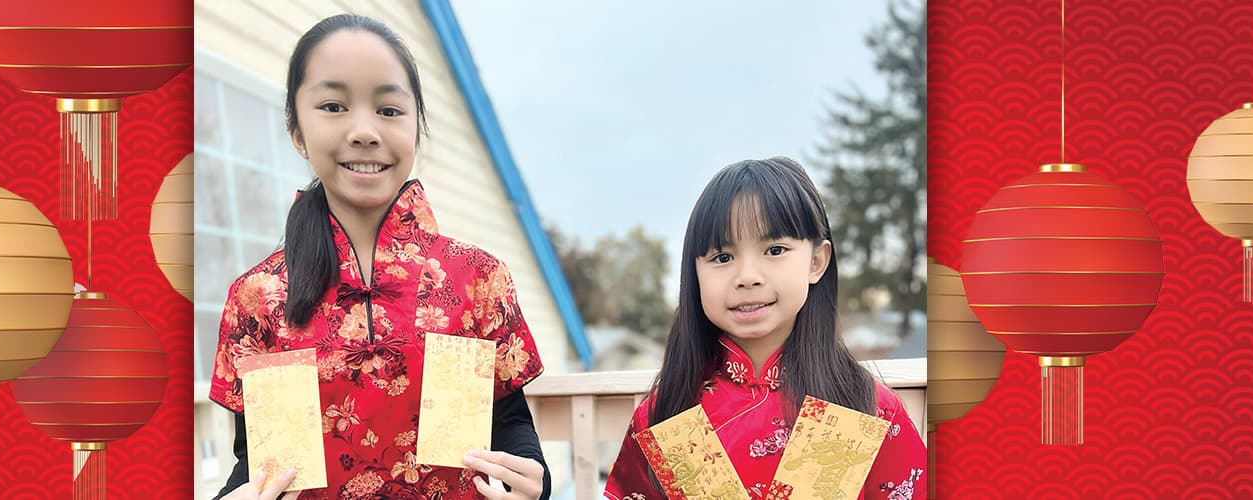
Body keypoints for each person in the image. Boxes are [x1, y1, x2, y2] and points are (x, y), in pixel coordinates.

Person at [210, 14, 549, 499]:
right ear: (297, 132)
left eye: (389, 110)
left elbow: (509, 427)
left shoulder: (475, 279)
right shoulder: (259, 296)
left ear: (416, 127)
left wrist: (536, 481)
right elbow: (258, 465)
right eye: (333, 105)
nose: (364, 131)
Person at [603, 157, 926, 499]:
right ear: (694, 273)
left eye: (775, 250)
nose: (748, 277)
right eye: (723, 257)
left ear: (816, 262)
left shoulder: (864, 407)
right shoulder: (667, 414)